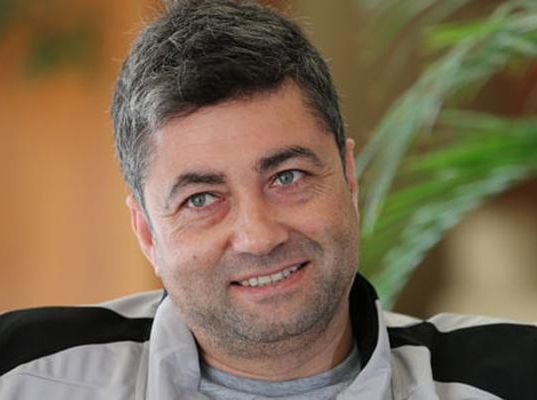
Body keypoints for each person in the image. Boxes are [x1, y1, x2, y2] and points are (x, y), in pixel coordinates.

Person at [0, 1, 536, 399]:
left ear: (349, 178)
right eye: (201, 198)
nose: (258, 236)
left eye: (287, 177)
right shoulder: (19, 372)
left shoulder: (516, 377)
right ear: (146, 232)